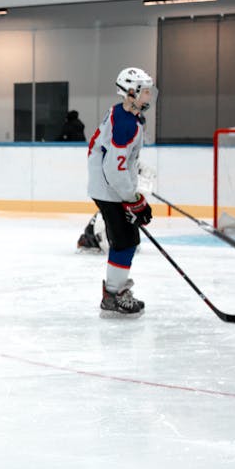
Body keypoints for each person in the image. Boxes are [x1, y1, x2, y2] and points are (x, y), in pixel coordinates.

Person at [87, 67, 154, 317]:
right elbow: (113, 169)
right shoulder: (126, 124)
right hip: (109, 188)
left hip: (109, 186)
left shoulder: (124, 114)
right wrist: (133, 199)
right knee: (125, 241)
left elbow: (117, 158)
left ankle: (115, 292)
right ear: (130, 92)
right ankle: (113, 296)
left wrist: (133, 179)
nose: (149, 96)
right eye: (145, 91)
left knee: (128, 240)